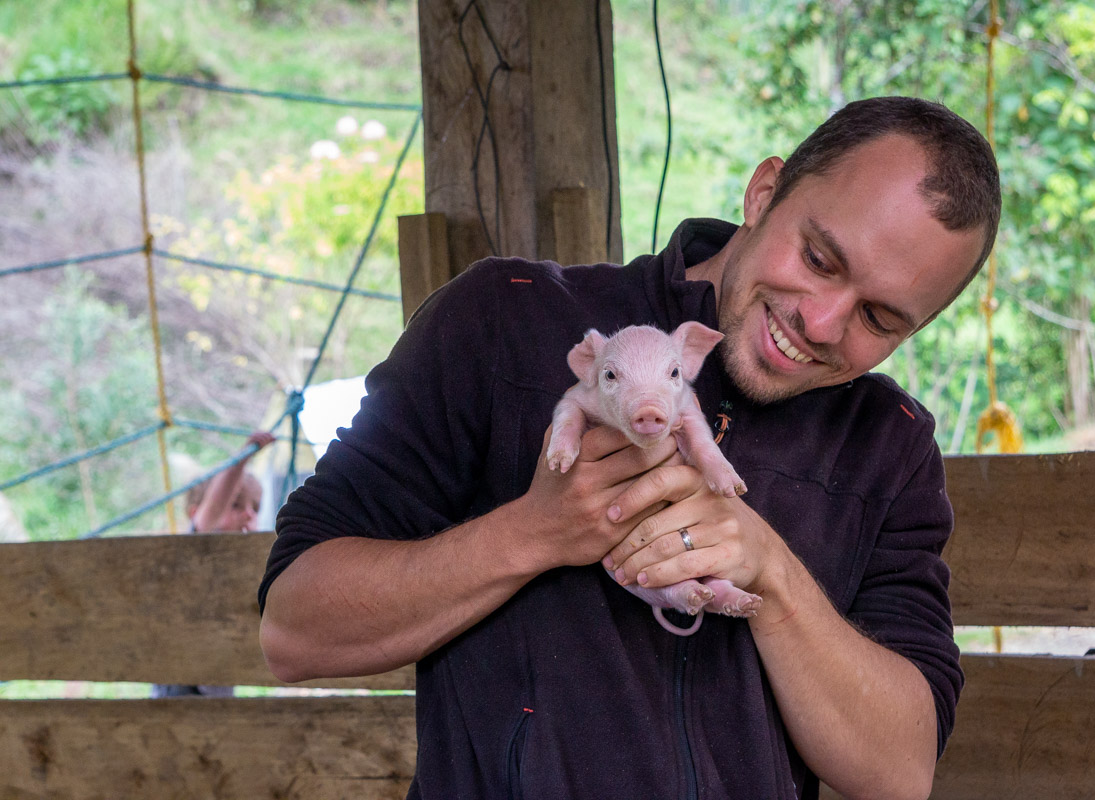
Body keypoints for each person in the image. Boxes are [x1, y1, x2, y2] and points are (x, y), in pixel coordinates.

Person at [258, 96, 1001, 799]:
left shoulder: (889, 446)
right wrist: (536, 531)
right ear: (764, 192)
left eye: (879, 317)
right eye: (819, 259)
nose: (822, 322)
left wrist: (771, 572)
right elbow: (295, 630)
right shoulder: (505, 318)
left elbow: (900, 771)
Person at [152, 430, 275, 698]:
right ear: (196, 512)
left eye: (255, 507)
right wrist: (242, 459)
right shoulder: (195, 549)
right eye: (236, 505)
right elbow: (213, 509)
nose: (248, 514)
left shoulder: (247, 565)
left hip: (218, 684)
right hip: (180, 688)